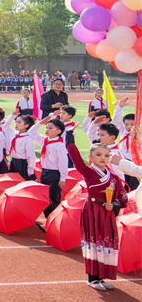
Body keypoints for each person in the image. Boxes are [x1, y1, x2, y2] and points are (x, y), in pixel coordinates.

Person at [66, 132, 126, 291]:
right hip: (92, 211)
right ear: (90, 156)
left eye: (106, 155)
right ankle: (92, 278)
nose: (103, 158)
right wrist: (70, 137)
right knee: (94, 241)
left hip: (107, 213)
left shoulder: (113, 177)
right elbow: (75, 157)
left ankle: (101, 277)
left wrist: (114, 204)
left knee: (106, 241)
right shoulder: (89, 172)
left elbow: (123, 195)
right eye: (98, 154)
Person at [34, 117, 69, 219]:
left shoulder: (59, 145)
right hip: (44, 172)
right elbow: (32, 133)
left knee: (53, 197)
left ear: (58, 131)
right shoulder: (44, 140)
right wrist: (40, 123)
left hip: (54, 174)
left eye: (50, 128)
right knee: (44, 196)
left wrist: (62, 178)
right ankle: (47, 217)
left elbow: (63, 163)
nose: (46, 130)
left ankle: (54, 218)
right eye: (46, 127)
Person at [7, 115, 37, 181]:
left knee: (22, 181)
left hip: (22, 163)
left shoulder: (27, 138)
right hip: (14, 162)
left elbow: (31, 155)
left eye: (19, 122)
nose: (16, 124)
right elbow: (6, 126)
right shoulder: (15, 134)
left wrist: (30, 169)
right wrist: (12, 116)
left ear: (26, 125)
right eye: (16, 122)